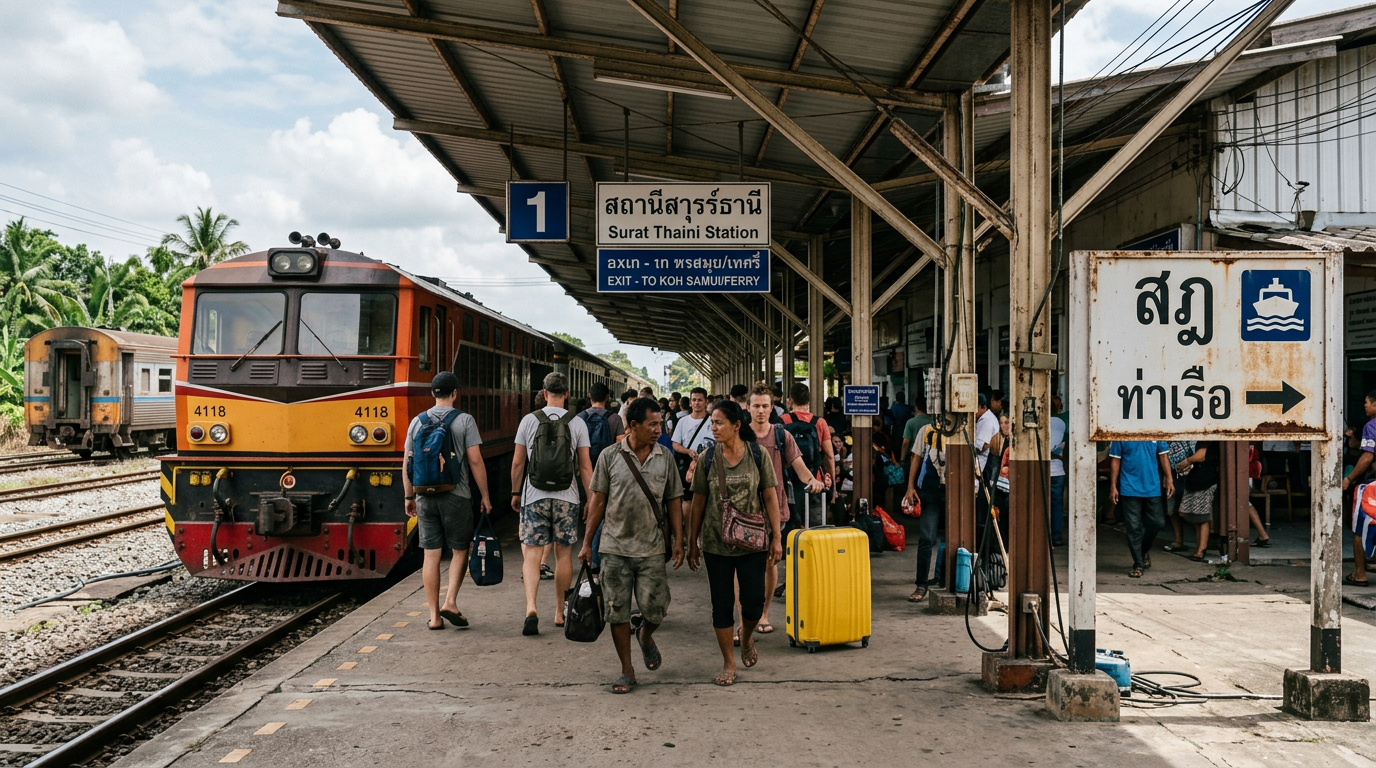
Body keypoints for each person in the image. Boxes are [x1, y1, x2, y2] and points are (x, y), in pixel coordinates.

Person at [579, 398, 685, 694]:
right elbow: (597, 502)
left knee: (656, 609)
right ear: (633, 426)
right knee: (617, 611)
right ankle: (627, 670)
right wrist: (587, 544)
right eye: (652, 424)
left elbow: (674, 500)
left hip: (652, 547)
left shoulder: (665, 457)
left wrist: (679, 540)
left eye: (660, 423)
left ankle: (646, 637)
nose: (658, 429)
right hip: (614, 547)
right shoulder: (610, 456)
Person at [686, 400, 782, 687]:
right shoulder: (706, 458)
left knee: (753, 604)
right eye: (712, 423)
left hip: (753, 543)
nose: (713, 428)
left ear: (736, 425)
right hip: (716, 545)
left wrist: (777, 536)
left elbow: (769, 497)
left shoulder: (758, 454)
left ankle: (748, 634)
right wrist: (692, 542)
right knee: (722, 604)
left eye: (718, 423)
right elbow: (698, 503)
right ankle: (729, 661)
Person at [402, 371, 492, 630]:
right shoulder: (464, 420)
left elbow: (407, 462)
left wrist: (409, 496)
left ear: (432, 393)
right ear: (455, 393)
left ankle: (434, 616)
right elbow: (475, 460)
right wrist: (484, 495)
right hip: (457, 495)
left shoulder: (417, 422)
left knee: (430, 554)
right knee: (460, 549)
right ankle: (450, 601)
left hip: (424, 496)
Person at [511, 372, 593, 635]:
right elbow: (584, 466)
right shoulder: (577, 422)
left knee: (533, 555)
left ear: (544, 393)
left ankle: (531, 608)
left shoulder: (528, 421)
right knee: (563, 555)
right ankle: (560, 611)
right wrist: (591, 499)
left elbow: (517, 463)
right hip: (567, 498)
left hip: (534, 496)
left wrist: (515, 492)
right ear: (567, 394)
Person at [747, 385, 825, 633]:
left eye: (765, 406)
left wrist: (813, 480)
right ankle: (743, 618)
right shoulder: (739, 436)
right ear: (748, 408)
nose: (761, 410)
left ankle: (763, 614)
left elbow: (799, 466)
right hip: (743, 511)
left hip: (775, 509)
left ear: (773, 408)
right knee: (745, 567)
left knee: (771, 562)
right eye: (756, 406)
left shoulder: (782, 436)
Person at [1109, 439, 1173, 578]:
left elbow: (1163, 456)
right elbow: (1115, 460)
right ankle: (1138, 564)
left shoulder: (1154, 429)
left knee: (1158, 522)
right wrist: (1113, 485)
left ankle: (1143, 550)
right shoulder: (1120, 433)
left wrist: (1169, 478)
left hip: (1152, 486)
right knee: (1133, 528)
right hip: (1129, 487)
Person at [904, 418, 945, 602]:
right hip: (930, 491)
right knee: (927, 538)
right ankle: (921, 585)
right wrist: (910, 487)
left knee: (956, 540)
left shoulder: (963, 430)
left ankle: (945, 579)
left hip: (954, 492)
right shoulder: (926, 430)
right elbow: (917, 457)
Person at [1340, 391, 1376, 586]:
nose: (1365, 406)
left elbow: (1367, 456)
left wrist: (1349, 478)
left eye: (1367, 403)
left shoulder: (1371, 426)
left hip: (1373, 486)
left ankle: (1360, 573)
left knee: (1360, 528)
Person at [1174, 441, 1220, 562]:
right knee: (1184, 512)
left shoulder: (1209, 441)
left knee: (1203, 517)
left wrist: (1188, 461)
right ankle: (1200, 545)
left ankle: (1201, 550)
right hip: (1193, 480)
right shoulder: (1196, 440)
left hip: (1206, 481)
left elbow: (1202, 455)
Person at [671, 387, 713, 496]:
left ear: (706, 402)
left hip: (710, 465)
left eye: (700, 400)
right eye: (694, 400)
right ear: (690, 403)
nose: (697, 403)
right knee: (687, 498)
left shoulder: (713, 421)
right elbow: (675, 444)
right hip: (687, 465)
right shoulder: (682, 422)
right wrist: (688, 451)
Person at [1048, 397, 1067, 547]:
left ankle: (1043, 534)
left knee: (1041, 505)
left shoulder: (1042, 423)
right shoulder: (1061, 423)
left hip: (1043, 470)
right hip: (1058, 470)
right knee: (1057, 505)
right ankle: (1057, 536)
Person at [899, 397, 933, 467]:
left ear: (916, 408)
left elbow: (906, 442)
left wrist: (902, 459)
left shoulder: (910, 422)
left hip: (913, 457)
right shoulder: (932, 422)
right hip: (930, 457)